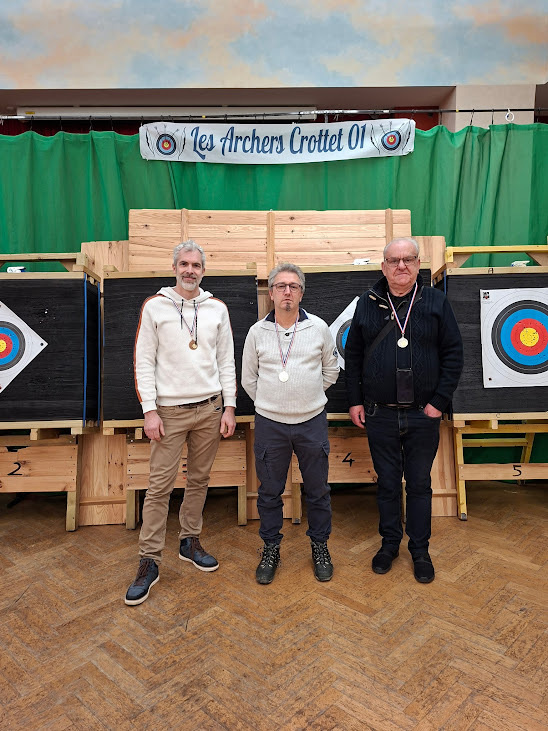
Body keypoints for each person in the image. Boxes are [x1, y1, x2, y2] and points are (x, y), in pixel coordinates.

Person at [345, 237, 463, 583]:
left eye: (408, 259)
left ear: (417, 264)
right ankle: (389, 544)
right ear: (383, 266)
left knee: (420, 485)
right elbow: (353, 355)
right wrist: (355, 400)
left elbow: (454, 355)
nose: (401, 266)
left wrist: (438, 403)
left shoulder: (436, 302)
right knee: (387, 484)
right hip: (379, 413)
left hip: (422, 414)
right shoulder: (367, 303)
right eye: (394, 260)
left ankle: (420, 550)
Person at [125, 240, 236, 605]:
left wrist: (229, 407)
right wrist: (150, 411)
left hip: (210, 409)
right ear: (174, 267)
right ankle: (149, 560)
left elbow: (226, 361)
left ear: (203, 270)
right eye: (184, 264)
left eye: (196, 265)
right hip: (168, 413)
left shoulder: (217, 308)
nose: (190, 270)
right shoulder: (155, 306)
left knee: (199, 479)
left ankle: (189, 541)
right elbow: (143, 361)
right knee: (159, 487)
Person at [242, 262, 339, 584]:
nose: (287, 292)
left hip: (312, 422)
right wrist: (273, 402)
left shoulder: (319, 328)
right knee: (270, 492)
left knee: (318, 491)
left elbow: (331, 370)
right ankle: (271, 548)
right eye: (281, 286)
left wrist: (307, 396)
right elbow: (249, 379)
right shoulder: (257, 333)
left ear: (301, 293)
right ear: (271, 293)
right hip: (270, 424)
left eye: (293, 286)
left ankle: (320, 546)